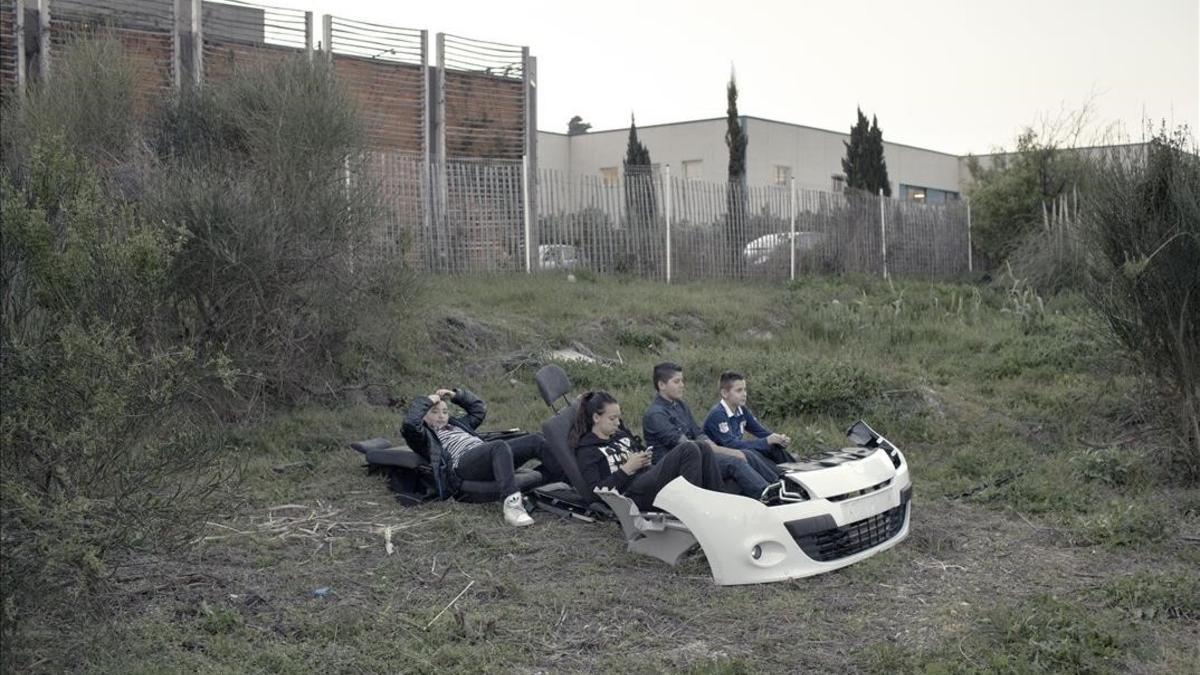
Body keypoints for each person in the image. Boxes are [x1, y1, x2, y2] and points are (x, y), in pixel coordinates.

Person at [401, 387, 548, 527]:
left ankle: (566, 475)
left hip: (485, 457)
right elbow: (410, 424)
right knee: (499, 446)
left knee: (535, 439)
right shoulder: (424, 437)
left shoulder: (459, 425)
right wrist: (427, 401)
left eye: (445, 412)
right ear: (424, 417)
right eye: (434, 412)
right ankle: (513, 507)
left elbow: (478, 410)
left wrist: (455, 395)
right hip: (463, 466)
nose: (441, 416)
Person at [642, 362, 783, 499]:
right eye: (677, 381)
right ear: (661, 385)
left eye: (682, 381)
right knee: (735, 462)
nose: (682, 385)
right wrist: (727, 451)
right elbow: (686, 445)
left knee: (747, 454)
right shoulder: (656, 414)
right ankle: (768, 495)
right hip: (676, 467)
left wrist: (715, 447)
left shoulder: (679, 405)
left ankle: (780, 484)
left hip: (698, 457)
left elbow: (698, 433)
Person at [572, 391, 723, 511]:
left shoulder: (619, 434)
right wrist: (626, 469)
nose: (618, 423)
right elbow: (595, 492)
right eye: (612, 419)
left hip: (646, 476)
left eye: (619, 418)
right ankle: (690, 511)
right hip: (631, 494)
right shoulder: (588, 450)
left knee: (703, 447)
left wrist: (644, 458)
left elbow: (637, 453)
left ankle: (718, 502)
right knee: (688, 449)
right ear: (596, 418)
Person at [703, 371, 795, 465]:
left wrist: (778, 439)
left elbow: (760, 431)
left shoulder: (741, 409)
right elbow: (731, 445)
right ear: (724, 393)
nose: (744, 394)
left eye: (745, 390)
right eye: (739, 390)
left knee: (773, 447)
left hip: (737, 453)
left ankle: (796, 470)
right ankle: (778, 477)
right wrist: (766, 441)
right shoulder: (717, 414)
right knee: (753, 454)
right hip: (720, 459)